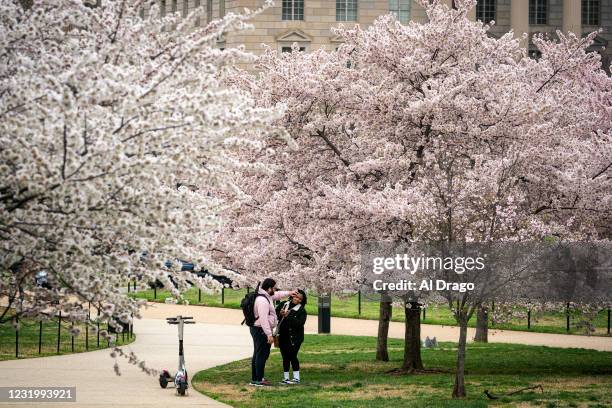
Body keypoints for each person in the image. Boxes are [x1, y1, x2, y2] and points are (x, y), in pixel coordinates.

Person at [250, 278, 297, 387]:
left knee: (258, 353)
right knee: (261, 354)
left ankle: (256, 378)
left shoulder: (266, 296)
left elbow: (278, 295)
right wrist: (269, 334)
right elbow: (263, 319)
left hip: (259, 329)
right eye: (274, 287)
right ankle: (259, 379)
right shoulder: (262, 301)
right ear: (269, 288)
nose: (275, 290)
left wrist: (290, 293)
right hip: (261, 330)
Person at [275, 289, 307, 385]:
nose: (297, 299)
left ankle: (296, 378)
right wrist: (279, 314)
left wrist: (289, 316)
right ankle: (286, 378)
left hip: (295, 338)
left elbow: (299, 324)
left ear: (302, 300)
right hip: (283, 335)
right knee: (285, 357)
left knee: (292, 356)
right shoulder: (284, 304)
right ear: (292, 295)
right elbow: (275, 315)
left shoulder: (301, 310)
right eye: (296, 296)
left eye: (300, 299)